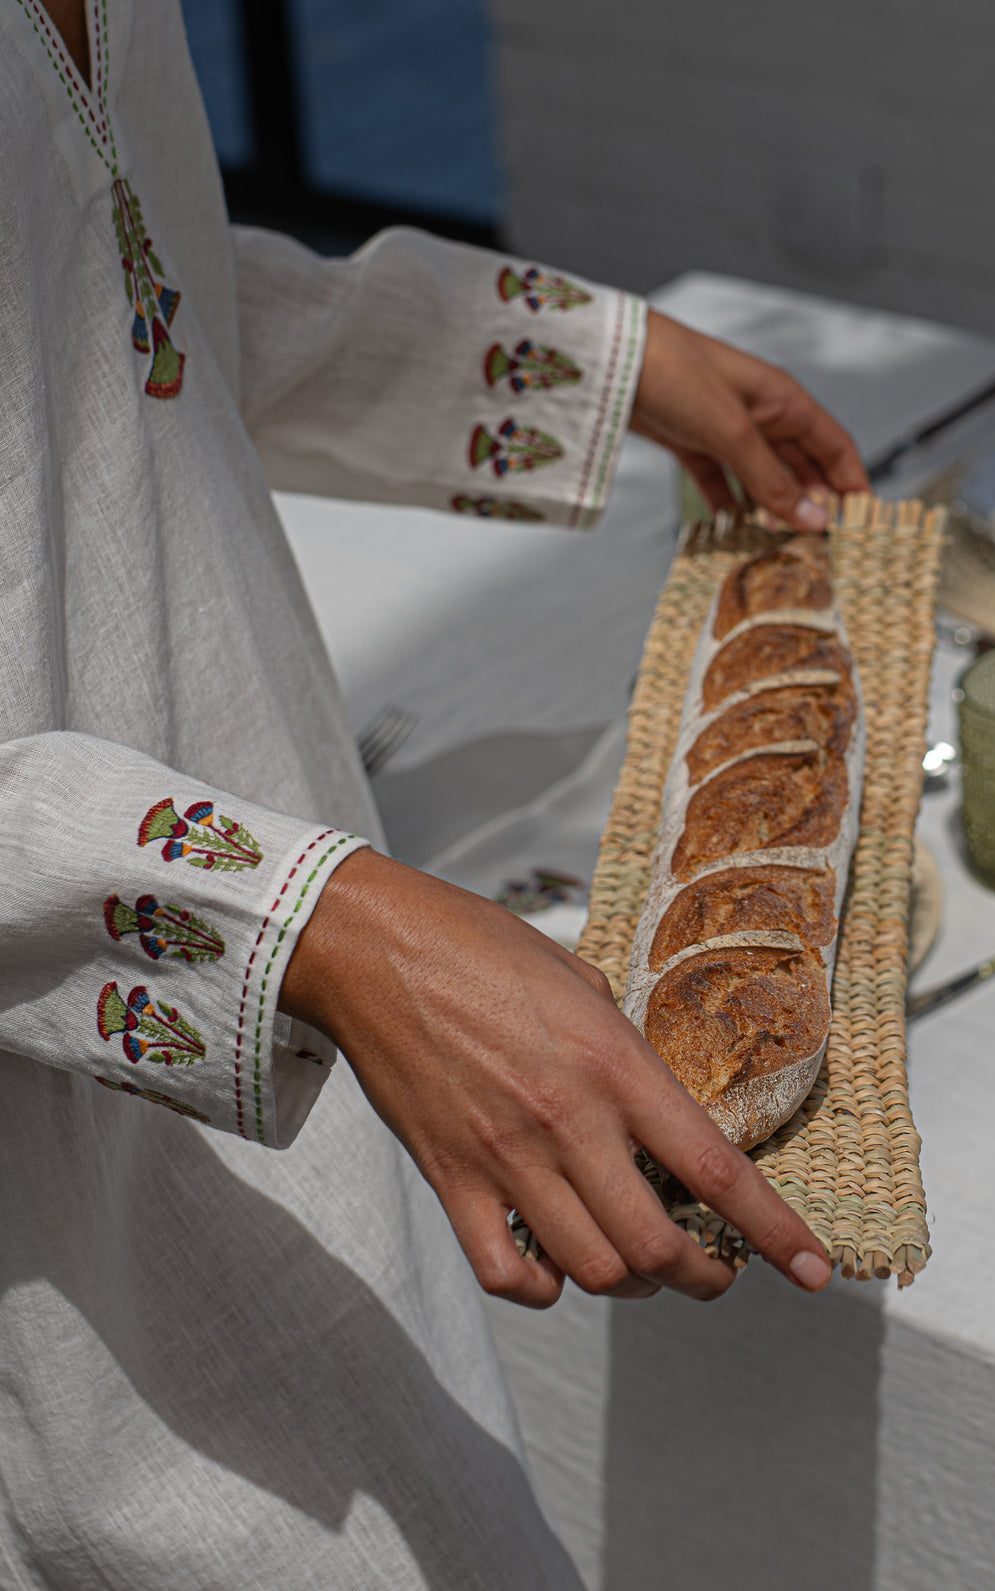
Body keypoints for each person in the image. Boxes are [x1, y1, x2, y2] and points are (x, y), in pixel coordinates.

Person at [0, 1, 869, 1585]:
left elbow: (118, 294)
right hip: (56, 1201)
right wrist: (313, 926)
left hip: (268, 1014)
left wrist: (599, 364)